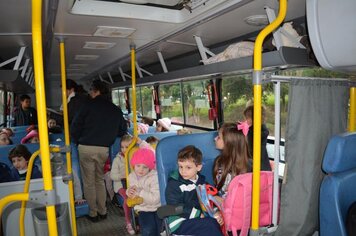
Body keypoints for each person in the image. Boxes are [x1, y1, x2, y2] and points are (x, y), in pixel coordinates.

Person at [70, 79, 127, 222]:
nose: (90, 93)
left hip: (86, 148)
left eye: (91, 91)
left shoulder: (86, 106)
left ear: (97, 91)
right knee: (99, 180)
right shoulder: (115, 109)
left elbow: (75, 127)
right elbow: (122, 131)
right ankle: (103, 211)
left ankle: (93, 213)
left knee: (89, 182)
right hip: (103, 149)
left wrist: (78, 141)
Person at [165, 145, 223, 236]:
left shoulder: (202, 182)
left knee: (217, 222)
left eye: (188, 167)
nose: (183, 171)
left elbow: (209, 201)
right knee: (210, 225)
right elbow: (175, 207)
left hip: (199, 218)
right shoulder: (174, 184)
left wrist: (216, 213)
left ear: (198, 167)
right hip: (179, 222)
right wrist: (199, 215)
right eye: (180, 167)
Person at [126, 148, 161, 236]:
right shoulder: (131, 176)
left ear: (150, 167)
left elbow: (155, 199)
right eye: (138, 166)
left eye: (145, 167)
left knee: (160, 230)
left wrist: (140, 192)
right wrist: (128, 192)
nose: (140, 170)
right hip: (143, 208)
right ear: (134, 165)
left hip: (157, 207)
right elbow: (131, 190)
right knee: (148, 230)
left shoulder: (154, 177)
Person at [213, 122, 252, 197]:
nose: (215, 139)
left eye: (219, 137)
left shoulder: (221, 163)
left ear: (229, 143)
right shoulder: (220, 161)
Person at [110, 134, 135, 235]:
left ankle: (138, 220)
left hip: (133, 183)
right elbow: (112, 176)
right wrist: (122, 176)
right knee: (127, 199)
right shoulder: (117, 159)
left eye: (127, 147)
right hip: (121, 184)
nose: (124, 149)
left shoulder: (134, 156)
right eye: (122, 147)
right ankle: (128, 222)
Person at [243, 105, 272, 171]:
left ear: (255, 118)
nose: (245, 120)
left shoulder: (258, 131)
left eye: (247, 118)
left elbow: (251, 144)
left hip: (260, 164)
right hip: (258, 162)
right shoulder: (252, 130)